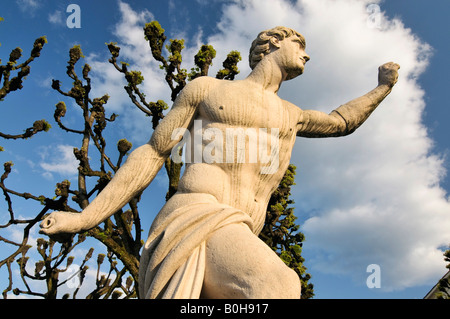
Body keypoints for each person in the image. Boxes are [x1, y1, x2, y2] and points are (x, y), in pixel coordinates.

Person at [40, 26, 400, 299]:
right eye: (300, 45)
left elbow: (341, 122)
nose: (307, 56)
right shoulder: (208, 89)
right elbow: (153, 152)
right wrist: (85, 218)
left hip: (242, 229)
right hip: (196, 213)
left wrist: (381, 88)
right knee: (278, 284)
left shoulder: (293, 114)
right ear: (273, 42)